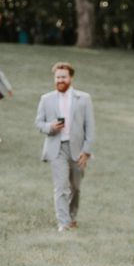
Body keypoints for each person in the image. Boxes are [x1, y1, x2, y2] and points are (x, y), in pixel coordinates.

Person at [35, 62, 95, 232]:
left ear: (71, 78)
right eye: (57, 77)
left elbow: (90, 127)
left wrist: (87, 151)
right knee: (61, 187)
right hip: (56, 148)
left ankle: (72, 216)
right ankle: (63, 222)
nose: (60, 80)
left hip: (77, 149)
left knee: (75, 187)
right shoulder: (46, 99)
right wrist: (50, 127)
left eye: (63, 77)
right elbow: (38, 123)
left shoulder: (83, 98)